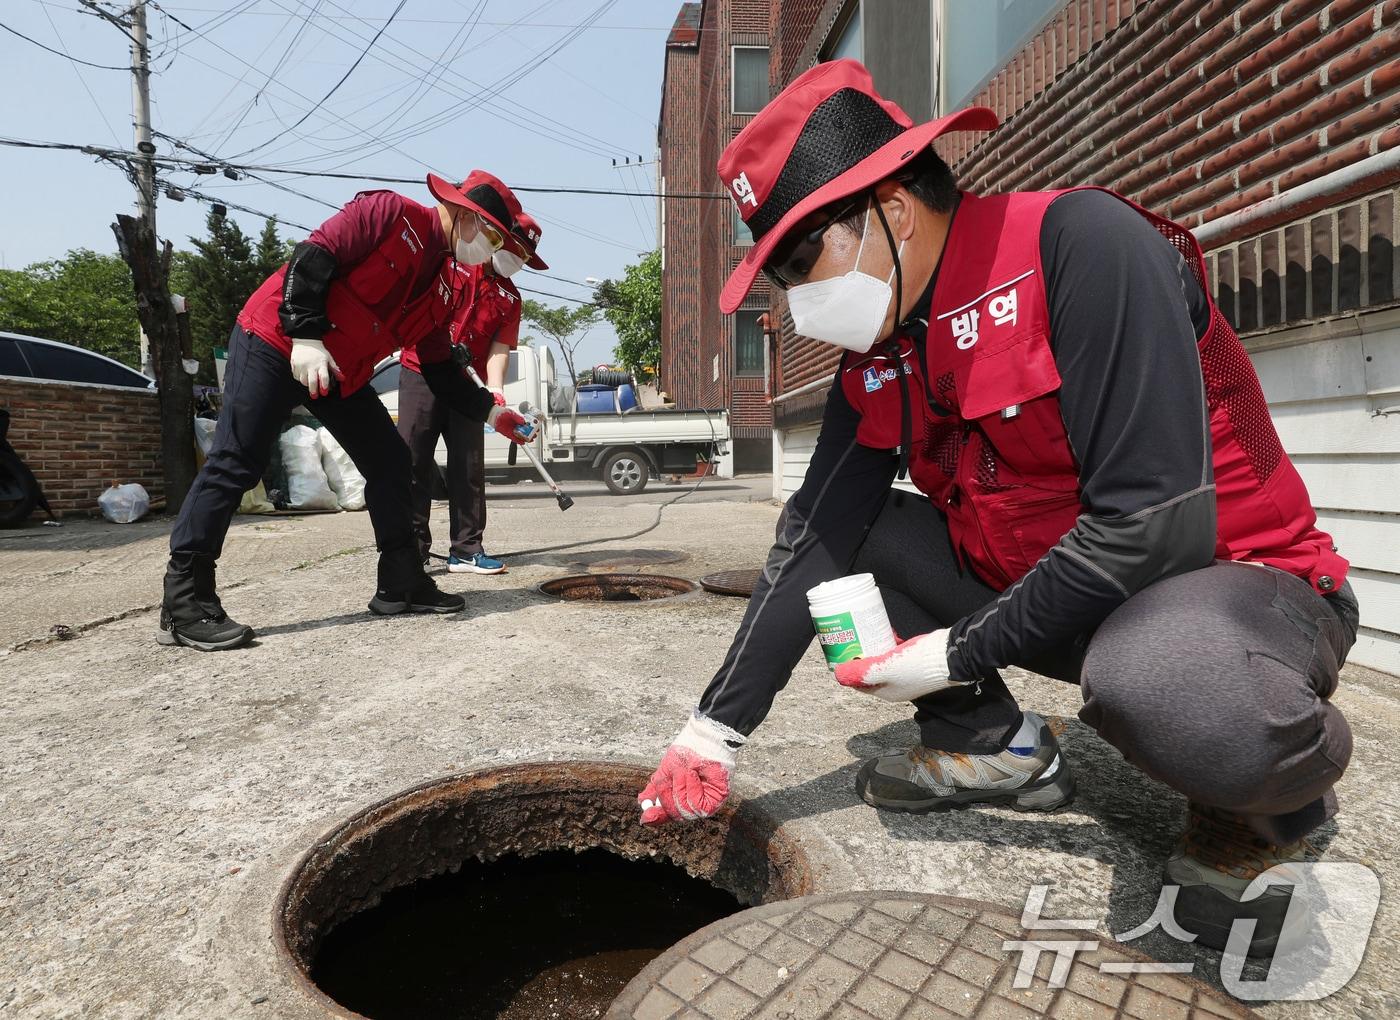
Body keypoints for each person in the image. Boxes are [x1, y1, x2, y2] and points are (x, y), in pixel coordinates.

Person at [637, 60, 1358, 954]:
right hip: (1065, 602)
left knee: (1176, 687)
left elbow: (1151, 524)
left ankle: (1267, 793)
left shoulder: (1081, 244)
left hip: (1231, 590)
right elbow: (812, 536)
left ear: (891, 210)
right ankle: (994, 744)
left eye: (796, 258)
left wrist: (957, 648)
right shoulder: (880, 353)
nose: (795, 299)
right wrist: (714, 731)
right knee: (847, 544)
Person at [159, 171, 534, 652]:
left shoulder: (444, 283)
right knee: (237, 461)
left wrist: (490, 413)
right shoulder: (388, 212)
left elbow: (439, 367)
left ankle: (402, 582)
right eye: (493, 235)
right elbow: (313, 256)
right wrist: (305, 334)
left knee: (391, 462)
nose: (491, 248)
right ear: (466, 215)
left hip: (340, 371)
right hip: (276, 341)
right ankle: (186, 601)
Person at [398, 210, 547, 574]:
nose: (519, 260)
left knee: (468, 467)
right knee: (412, 461)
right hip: (421, 371)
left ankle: (466, 549)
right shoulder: (457, 263)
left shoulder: (511, 299)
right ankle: (410, 549)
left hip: (468, 386)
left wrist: (495, 388)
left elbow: (500, 347)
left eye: (526, 258)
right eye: (516, 250)